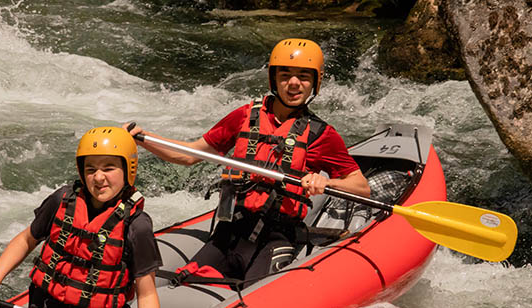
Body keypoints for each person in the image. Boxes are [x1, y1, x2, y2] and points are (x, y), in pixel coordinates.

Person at [129, 38, 371, 284]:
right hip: (230, 231)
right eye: (285, 75)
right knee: (180, 284)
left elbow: (361, 186)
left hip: (277, 237)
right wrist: (143, 138)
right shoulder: (244, 116)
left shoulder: (321, 134)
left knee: (257, 295)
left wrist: (326, 183)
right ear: (273, 79)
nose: (294, 83)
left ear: (315, 83)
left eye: (303, 77)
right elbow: (189, 155)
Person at [0, 126, 162, 308]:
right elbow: (26, 240)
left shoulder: (137, 225)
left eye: (109, 168)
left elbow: (146, 292)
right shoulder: (61, 200)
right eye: (90, 169)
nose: (99, 177)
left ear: (128, 170)